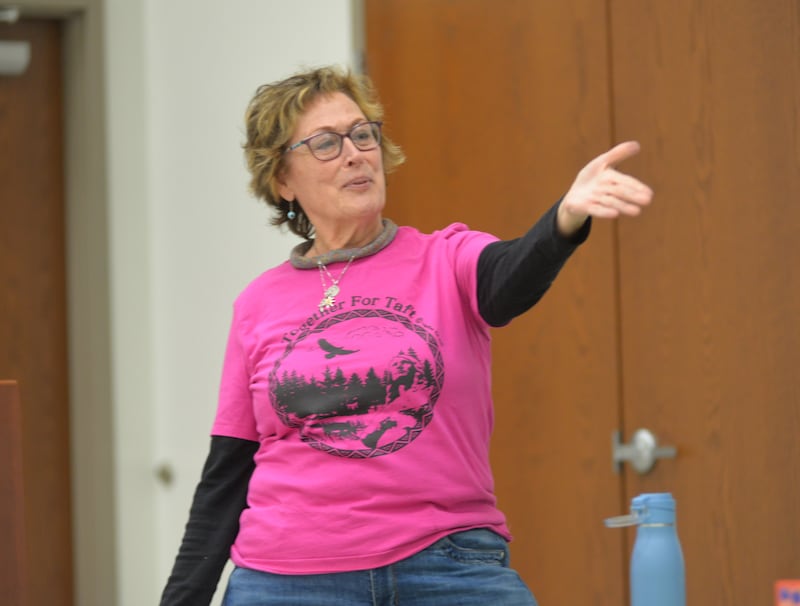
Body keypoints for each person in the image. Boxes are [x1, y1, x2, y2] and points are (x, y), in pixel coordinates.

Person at [160, 65, 652, 606]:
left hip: (448, 562)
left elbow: (510, 279)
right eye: (325, 143)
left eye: (361, 133)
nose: (354, 153)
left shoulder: (447, 258)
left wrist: (564, 218)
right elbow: (228, 472)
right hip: (288, 577)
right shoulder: (259, 303)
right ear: (282, 179)